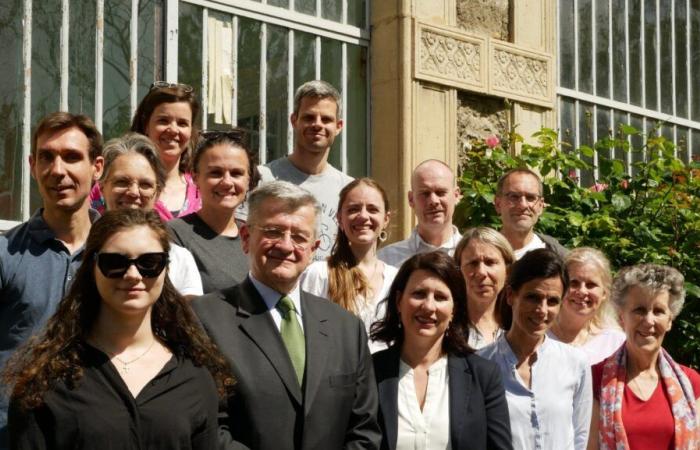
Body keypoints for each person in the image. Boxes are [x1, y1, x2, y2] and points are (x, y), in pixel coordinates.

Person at [2, 209, 234, 449]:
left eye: (149, 262)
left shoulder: (194, 377)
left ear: (166, 267)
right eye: (115, 263)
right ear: (93, 267)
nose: (133, 275)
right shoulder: (47, 380)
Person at [191, 181, 381, 450]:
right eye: (273, 231)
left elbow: (364, 430)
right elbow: (207, 426)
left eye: (300, 237)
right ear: (246, 238)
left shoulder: (347, 328)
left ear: (314, 249)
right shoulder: (205, 319)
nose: (286, 245)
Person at [0, 112, 104, 448]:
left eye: (72, 157)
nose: (58, 170)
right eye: (47, 157)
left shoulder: (122, 256)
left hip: (97, 430)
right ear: (32, 166)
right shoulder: (5, 253)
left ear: (97, 167)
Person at [370, 251, 512, 450]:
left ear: (454, 309)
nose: (429, 306)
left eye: (440, 297)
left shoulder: (483, 375)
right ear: (399, 301)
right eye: (419, 294)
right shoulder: (370, 372)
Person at [478, 248, 592, 450]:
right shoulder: (481, 365)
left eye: (553, 301)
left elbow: (580, 437)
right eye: (533, 297)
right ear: (511, 295)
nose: (542, 310)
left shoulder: (576, 363)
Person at [589, 264, 700, 450]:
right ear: (621, 317)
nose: (649, 321)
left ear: (670, 320)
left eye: (658, 311)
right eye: (639, 310)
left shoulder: (692, 384)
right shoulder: (595, 379)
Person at [254, 80, 353, 261]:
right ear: (294, 120)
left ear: (338, 127)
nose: (317, 124)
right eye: (309, 117)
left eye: (326, 119)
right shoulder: (262, 178)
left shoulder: (350, 189)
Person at [98, 133, 203, 297]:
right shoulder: (82, 254)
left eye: (145, 185)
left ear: (158, 191)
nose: (133, 192)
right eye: (122, 182)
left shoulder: (179, 259)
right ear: (102, 187)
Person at [301, 178, 397, 353]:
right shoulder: (320, 274)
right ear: (340, 218)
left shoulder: (396, 279)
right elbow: (305, 336)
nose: (363, 216)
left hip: (385, 378)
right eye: (353, 209)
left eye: (373, 209)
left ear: (386, 219)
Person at [91, 81, 202, 220]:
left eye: (182, 123)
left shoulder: (202, 191)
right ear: (146, 124)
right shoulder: (105, 187)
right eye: (163, 120)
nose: (173, 130)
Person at [169, 129, 259, 293]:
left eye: (236, 173)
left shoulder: (256, 236)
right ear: (196, 178)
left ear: (248, 180)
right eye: (215, 173)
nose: (226, 182)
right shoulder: (174, 234)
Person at [378, 159, 462, 268]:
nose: (433, 201)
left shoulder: (475, 257)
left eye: (440, 192)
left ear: (456, 196)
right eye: (425, 193)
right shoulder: (386, 261)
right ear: (411, 199)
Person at [548, 247, 624, 365]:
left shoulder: (616, 343)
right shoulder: (538, 336)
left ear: (604, 293)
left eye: (591, 285)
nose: (582, 291)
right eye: (574, 283)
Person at [454, 226, 515, 349]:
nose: (481, 272)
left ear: (507, 271)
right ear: (458, 271)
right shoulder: (447, 328)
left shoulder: (518, 325)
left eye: (490, 262)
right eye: (473, 263)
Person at [494, 169, 567, 260]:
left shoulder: (561, 260)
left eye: (530, 197)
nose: (523, 205)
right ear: (498, 204)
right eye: (514, 196)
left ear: (540, 206)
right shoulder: (478, 255)